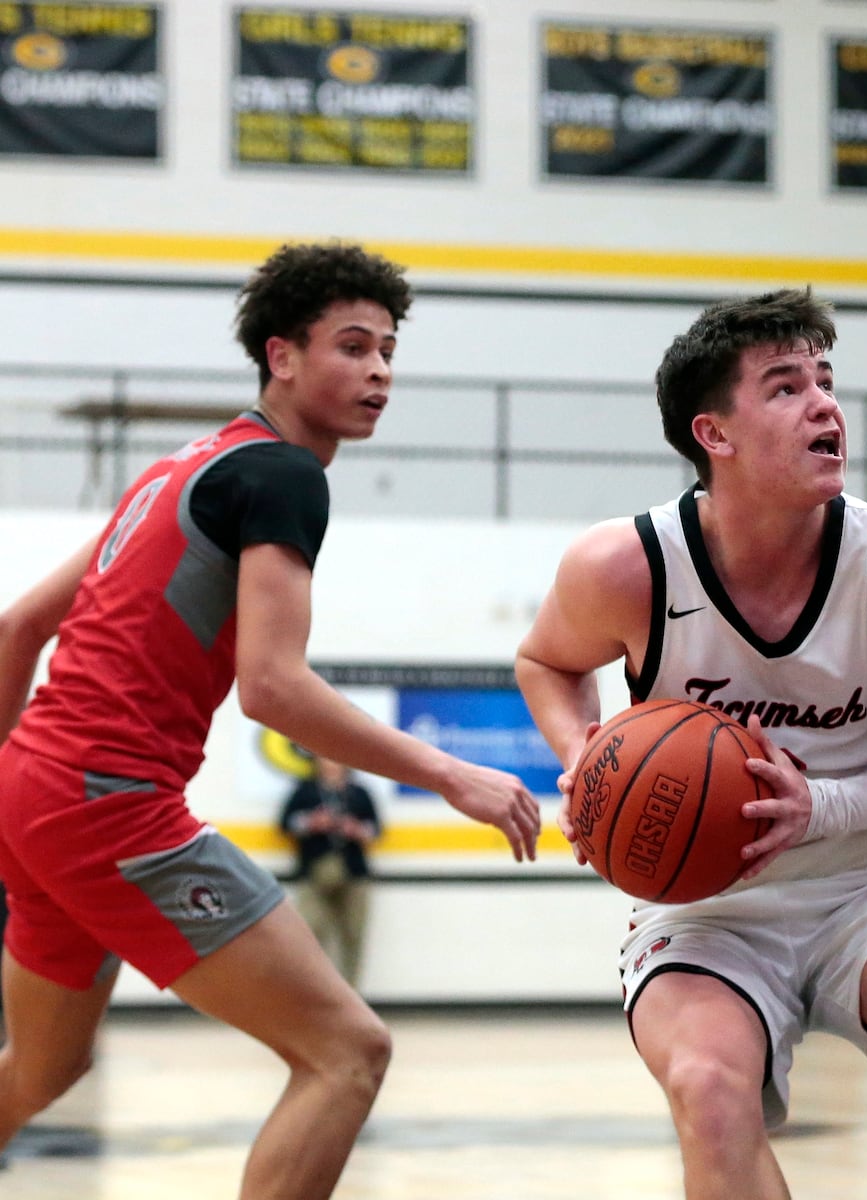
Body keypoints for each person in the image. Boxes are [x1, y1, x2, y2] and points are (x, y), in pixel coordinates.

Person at [0, 242, 542, 1200]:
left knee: (44, 1070)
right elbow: (274, 689)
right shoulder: (284, 475)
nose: (378, 370)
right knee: (348, 1052)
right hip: (106, 801)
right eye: (351, 346)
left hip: (33, 788)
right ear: (281, 357)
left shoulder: (177, 469)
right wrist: (452, 773)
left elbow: (20, 626)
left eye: (386, 351)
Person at [515, 287, 867, 1200]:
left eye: (826, 380)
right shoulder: (624, 566)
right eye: (786, 387)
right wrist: (583, 754)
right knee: (708, 1090)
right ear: (716, 434)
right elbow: (545, 662)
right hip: (705, 910)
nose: (824, 403)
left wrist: (819, 807)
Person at [279, 754, 381, 986]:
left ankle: (351, 994)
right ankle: (315, 993)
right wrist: (311, 823)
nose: (331, 764)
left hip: (353, 872)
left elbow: (375, 829)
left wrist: (356, 829)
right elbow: (285, 824)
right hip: (314, 871)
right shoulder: (305, 791)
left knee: (353, 934)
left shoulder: (359, 793)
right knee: (311, 932)